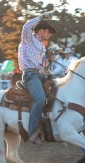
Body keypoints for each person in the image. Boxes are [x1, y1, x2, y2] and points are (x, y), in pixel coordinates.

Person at [18, 12, 57, 144]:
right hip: (30, 75)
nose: (49, 35)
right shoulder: (28, 38)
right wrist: (41, 17)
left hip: (40, 74)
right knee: (40, 99)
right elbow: (26, 26)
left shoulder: (41, 45)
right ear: (41, 31)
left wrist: (49, 59)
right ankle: (32, 132)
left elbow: (43, 64)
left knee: (57, 91)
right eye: (48, 32)